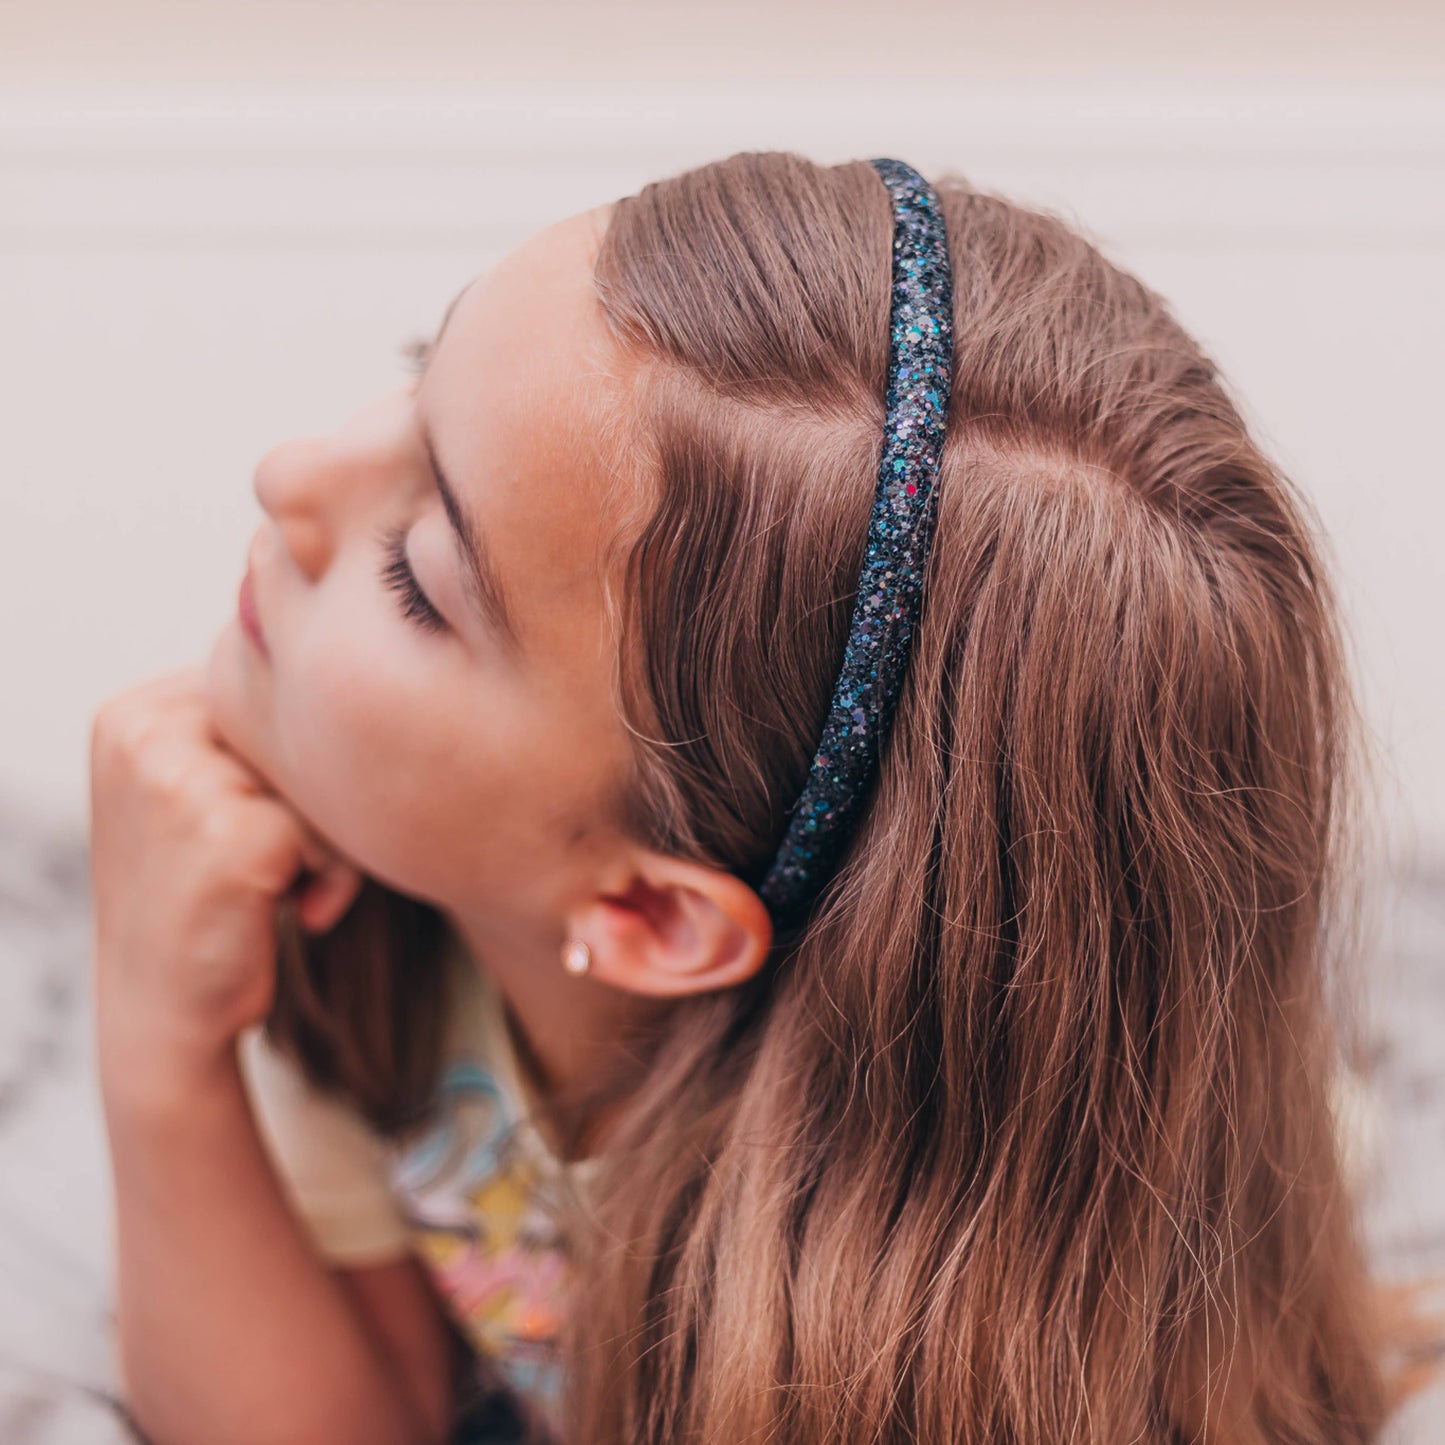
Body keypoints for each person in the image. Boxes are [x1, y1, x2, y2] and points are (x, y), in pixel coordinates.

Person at [90, 152, 1396, 1444]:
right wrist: (158, 1030)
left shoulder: (925, 1347)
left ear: (653, 912)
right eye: (411, 372)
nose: (288, 472)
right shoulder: (347, 911)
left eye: (418, 578)